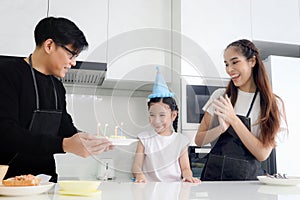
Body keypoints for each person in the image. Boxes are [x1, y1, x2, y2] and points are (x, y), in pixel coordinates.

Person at [0, 17, 113, 182]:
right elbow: (6, 132)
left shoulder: (57, 86)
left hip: (45, 181)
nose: (73, 63)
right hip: (7, 181)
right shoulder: (7, 74)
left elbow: (65, 128)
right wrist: (65, 144)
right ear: (49, 45)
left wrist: (90, 140)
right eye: (71, 54)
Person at [195, 39, 288, 181]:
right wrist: (220, 128)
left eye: (234, 62)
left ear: (252, 61)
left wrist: (233, 119)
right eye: (226, 64)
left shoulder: (271, 104)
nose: (229, 69)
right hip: (214, 181)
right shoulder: (221, 96)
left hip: (247, 183)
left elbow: (262, 154)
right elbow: (199, 140)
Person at [132, 67, 200, 183]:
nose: (156, 120)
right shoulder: (144, 139)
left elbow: (185, 168)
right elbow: (136, 166)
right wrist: (139, 176)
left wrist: (188, 176)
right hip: (149, 189)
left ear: (173, 115)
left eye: (162, 115)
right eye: (152, 115)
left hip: (174, 190)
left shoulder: (181, 141)